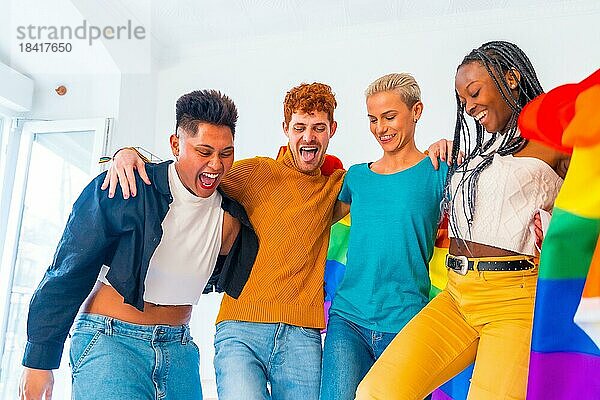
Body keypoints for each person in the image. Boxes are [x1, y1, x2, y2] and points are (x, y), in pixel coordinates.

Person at [356, 41, 569, 400]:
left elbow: (589, 204)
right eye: (463, 100)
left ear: (512, 79)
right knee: (377, 391)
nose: (469, 107)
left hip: (514, 300)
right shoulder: (480, 149)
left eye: (474, 93)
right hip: (456, 294)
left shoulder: (556, 142)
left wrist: (559, 227)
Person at [105, 82, 346, 400]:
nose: (309, 137)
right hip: (240, 329)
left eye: (319, 127)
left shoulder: (337, 188)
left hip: (303, 336)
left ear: (332, 130)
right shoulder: (259, 172)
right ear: (285, 128)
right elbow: (188, 176)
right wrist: (128, 154)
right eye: (299, 126)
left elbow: (386, 177)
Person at [18, 89, 258, 400]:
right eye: (204, 151)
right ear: (176, 144)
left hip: (180, 349)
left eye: (226, 153)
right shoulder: (127, 186)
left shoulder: (230, 216)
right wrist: (38, 361)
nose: (216, 164)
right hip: (111, 341)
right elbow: (68, 270)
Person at [320, 73, 445, 400]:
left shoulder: (438, 171)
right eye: (373, 119)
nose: (380, 128)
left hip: (408, 324)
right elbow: (313, 220)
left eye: (390, 117)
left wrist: (454, 146)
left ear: (416, 111)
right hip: (348, 321)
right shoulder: (357, 177)